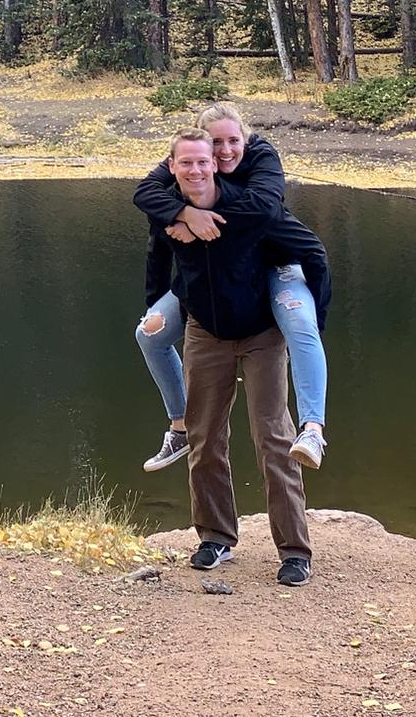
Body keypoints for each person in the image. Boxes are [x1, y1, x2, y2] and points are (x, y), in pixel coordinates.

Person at [147, 126, 331, 587]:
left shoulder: (249, 209)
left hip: (260, 335)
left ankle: (294, 551)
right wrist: (153, 305)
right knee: (205, 438)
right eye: (185, 163)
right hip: (204, 334)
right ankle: (216, 538)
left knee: (274, 438)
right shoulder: (168, 208)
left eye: (203, 161)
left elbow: (311, 250)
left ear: (216, 163)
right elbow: (156, 258)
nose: (195, 169)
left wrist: (316, 315)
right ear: (173, 167)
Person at [131, 104, 330, 476]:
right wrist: (186, 214)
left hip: (275, 266)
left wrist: (203, 222)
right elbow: (145, 196)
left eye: (233, 140)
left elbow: (268, 208)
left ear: (246, 137)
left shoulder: (260, 156)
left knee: (301, 325)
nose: (224, 151)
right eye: (216, 142)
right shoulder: (191, 163)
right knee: (149, 333)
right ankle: (180, 426)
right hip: (217, 274)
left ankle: (313, 430)